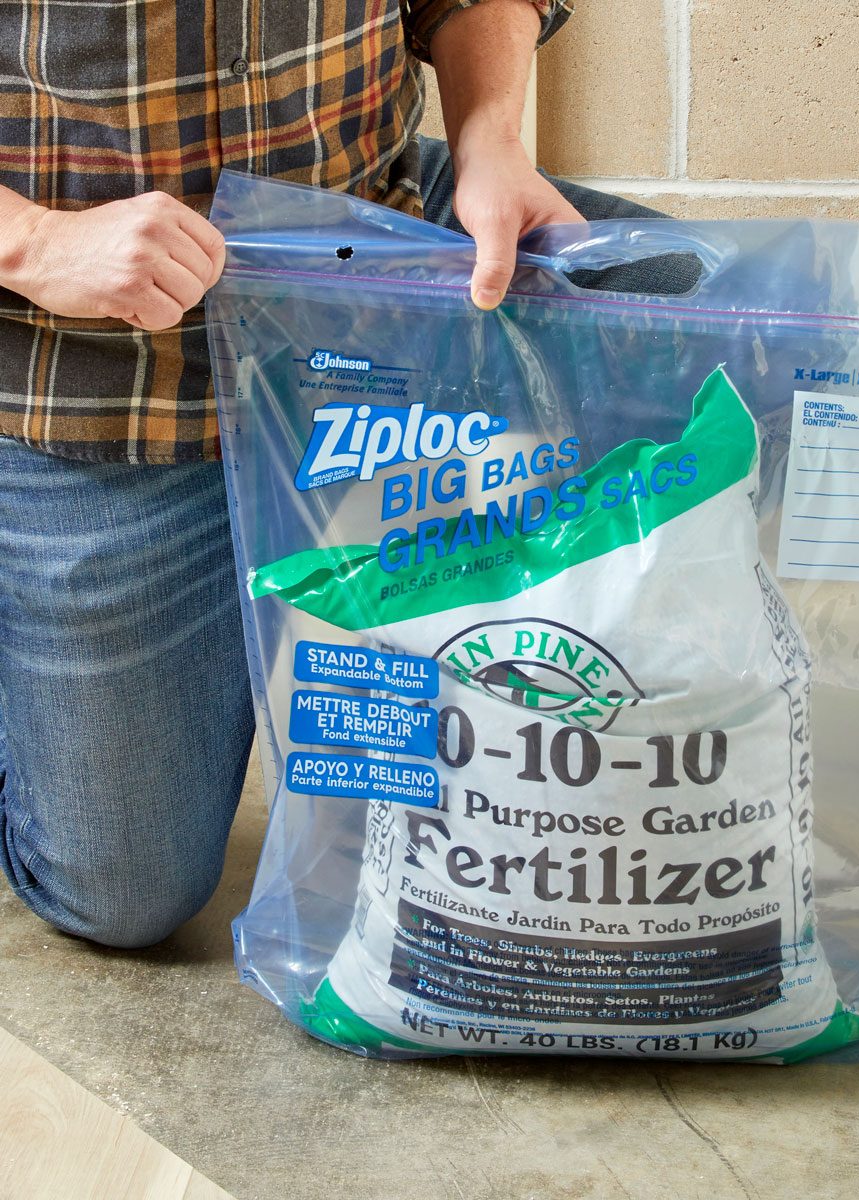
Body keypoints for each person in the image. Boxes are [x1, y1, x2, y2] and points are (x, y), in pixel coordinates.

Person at [0, 0, 671, 949]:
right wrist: (30, 243)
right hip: (95, 378)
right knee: (123, 894)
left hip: (354, 277)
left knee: (700, 329)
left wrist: (490, 139)